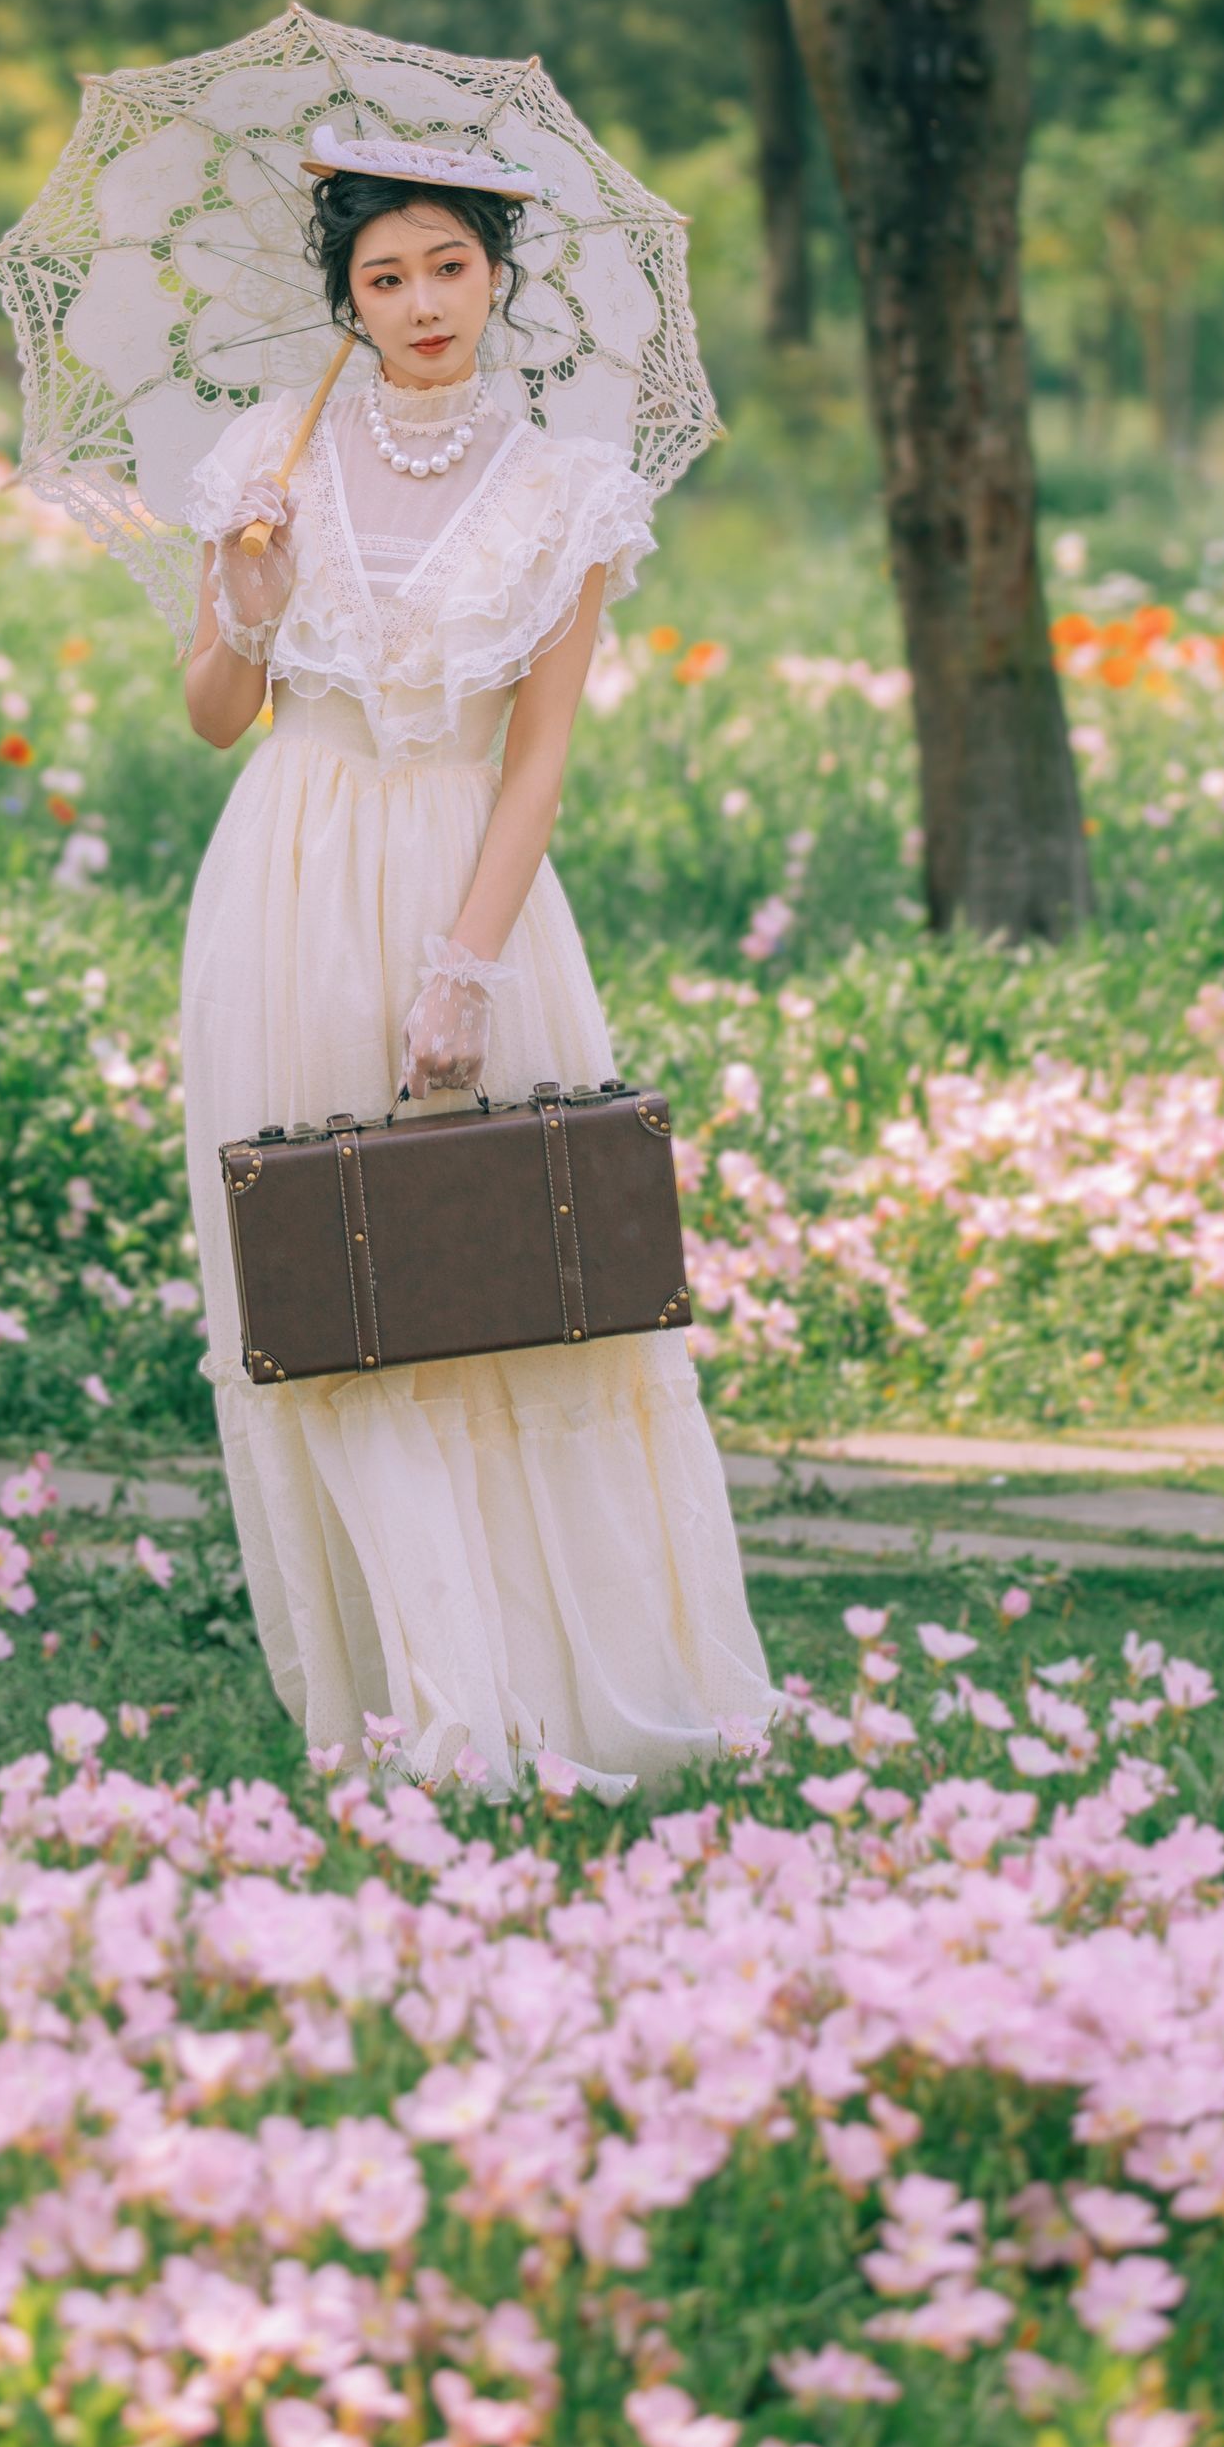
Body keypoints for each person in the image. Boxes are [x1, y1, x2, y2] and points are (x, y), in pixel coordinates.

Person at [177, 135, 771, 1794]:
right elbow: (219, 718)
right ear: (347, 305)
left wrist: (464, 968)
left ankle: (549, 1687)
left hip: (466, 885)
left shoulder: (567, 489)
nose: (421, 301)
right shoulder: (264, 465)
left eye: (447, 264)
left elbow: (538, 763)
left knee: (496, 1285)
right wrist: (244, 591)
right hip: (284, 883)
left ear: (497, 272)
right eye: (383, 277)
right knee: (322, 1291)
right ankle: (414, 1705)